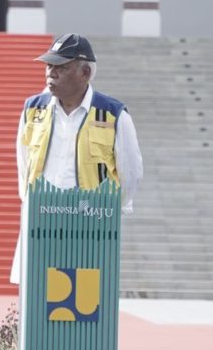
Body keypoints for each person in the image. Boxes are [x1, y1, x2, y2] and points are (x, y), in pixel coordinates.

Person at [11, 33, 143, 283]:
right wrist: (33, 205)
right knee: (38, 301)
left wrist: (103, 212)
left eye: (61, 67)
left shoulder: (113, 114)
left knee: (84, 303)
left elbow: (131, 173)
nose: (51, 73)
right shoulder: (33, 109)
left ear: (85, 73)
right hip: (41, 221)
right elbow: (23, 164)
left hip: (89, 225)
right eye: (49, 66)